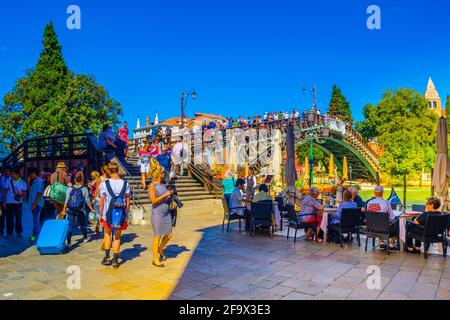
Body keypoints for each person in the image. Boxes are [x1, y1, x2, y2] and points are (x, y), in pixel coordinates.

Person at [98, 162, 131, 269]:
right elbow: (128, 200)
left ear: (108, 171)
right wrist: (126, 213)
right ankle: (116, 261)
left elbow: (102, 201)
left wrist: (100, 214)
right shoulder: (126, 184)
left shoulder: (104, 184)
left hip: (107, 214)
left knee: (107, 235)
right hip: (120, 214)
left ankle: (107, 258)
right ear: (117, 170)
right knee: (117, 237)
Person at [148, 164, 174, 268]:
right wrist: (165, 195)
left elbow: (165, 196)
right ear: (159, 174)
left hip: (166, 213)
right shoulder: (152, 185)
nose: (164, 174)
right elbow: (153, 201)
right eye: (163, 172)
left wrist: (170, 194)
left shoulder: (163, 184)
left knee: (169, 235)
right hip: (157, 214)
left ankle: (160, 249)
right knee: (157, 237)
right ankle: (155, 259)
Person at [61, 172, 96, 246]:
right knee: (83, 224)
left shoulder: (70, 188)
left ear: (74, 179)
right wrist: (91, 209)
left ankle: (69, 242)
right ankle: (85, 238)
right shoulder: (84, 189)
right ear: (82, 180)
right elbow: (87, 201)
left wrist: (64, 210)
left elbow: (66, 200)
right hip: (80, 210)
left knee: (70, 226)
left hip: (70, 209)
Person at [366, 186, 399, 251]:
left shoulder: (369, 203)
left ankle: (382, 242)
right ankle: (391, 244)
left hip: (372, 230)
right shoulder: (386, 203)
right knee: (398, 223)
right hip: (384, 231)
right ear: (382, 193)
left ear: (374, 192)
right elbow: (392, 218)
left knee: (377, 222)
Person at [3, 168, 27, 239]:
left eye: (13, 174)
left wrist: (20, 193)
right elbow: (5, 191)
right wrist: (4, 201)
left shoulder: (22, 182)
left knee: (18, 218)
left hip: (18, 203)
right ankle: (9, 233)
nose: (12, 175)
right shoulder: (9, 181)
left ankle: (19, 233)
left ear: (18, 174)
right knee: (9, 218)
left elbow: (25, 193)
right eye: (11, 174)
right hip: (9, 202)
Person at [27, 167, 45, 243]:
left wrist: (34, 204)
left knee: (35, 221)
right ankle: (36, 237)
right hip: (34, 204)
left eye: (31, 174)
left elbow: (38, 194)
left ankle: (35, 238)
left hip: (37, 204)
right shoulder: (34, 181)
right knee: (35, 221)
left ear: (34, 173)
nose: (30, 175)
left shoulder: (39, 182)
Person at [0, 168, 10, 238]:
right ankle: (1, 231)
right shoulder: (1, 179)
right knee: (1, 217)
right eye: (6, 171)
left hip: (9, 201)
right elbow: (3, 190)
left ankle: (9, 232)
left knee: (9, 217)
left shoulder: (12, 179)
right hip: (1, 200)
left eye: (8, 171)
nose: (7, 173)